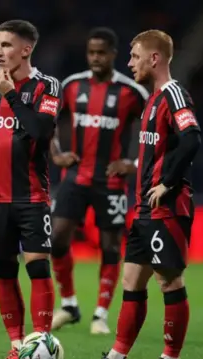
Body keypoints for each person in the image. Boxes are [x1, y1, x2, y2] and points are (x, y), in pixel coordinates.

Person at [0, 19, 62, 359]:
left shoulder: (47, 87)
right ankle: (18, 345)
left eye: (6, 45)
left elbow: (40, 131)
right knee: (5, 270)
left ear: (26, 49)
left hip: (32, 195)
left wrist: (11, 96)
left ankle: (42, 340)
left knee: (37, 266)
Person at [102, 29, 202, 359]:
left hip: (167, 206)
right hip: (146, 208)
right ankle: (118, 354)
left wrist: (168, 182)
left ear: (154, 58)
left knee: (169, 281)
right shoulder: (153, 99)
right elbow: (160, 150)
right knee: (131, 280)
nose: (129, 63)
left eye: (134, 56)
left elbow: (191, 138)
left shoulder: (173, 94)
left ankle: (170, 356)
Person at [50, 27, 149, 335]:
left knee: (109, 247)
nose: (95, 57)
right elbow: (48, 121)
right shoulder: (71, 85)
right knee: (56, 239)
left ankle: (101, 314)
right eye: (91, 52)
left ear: (113, 55)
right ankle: (69, 304)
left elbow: (156, 133)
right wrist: (56, 154)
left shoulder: (132, 92)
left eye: (101, 52)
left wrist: (132, 164)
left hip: (111, 182)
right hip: (75, 177)